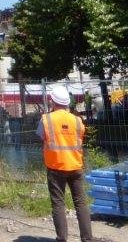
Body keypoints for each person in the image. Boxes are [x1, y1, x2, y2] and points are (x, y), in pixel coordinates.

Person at [38, 84, 94, 242]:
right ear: (67, 102)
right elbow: (81, 137)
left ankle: (62, 239)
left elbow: (42, 137)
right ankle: (87, 238)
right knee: (81, 203)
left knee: (58, 203)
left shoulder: (47, 119)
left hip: (55, 167)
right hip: (75, 166)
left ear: (52, 101)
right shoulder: (77, 120)